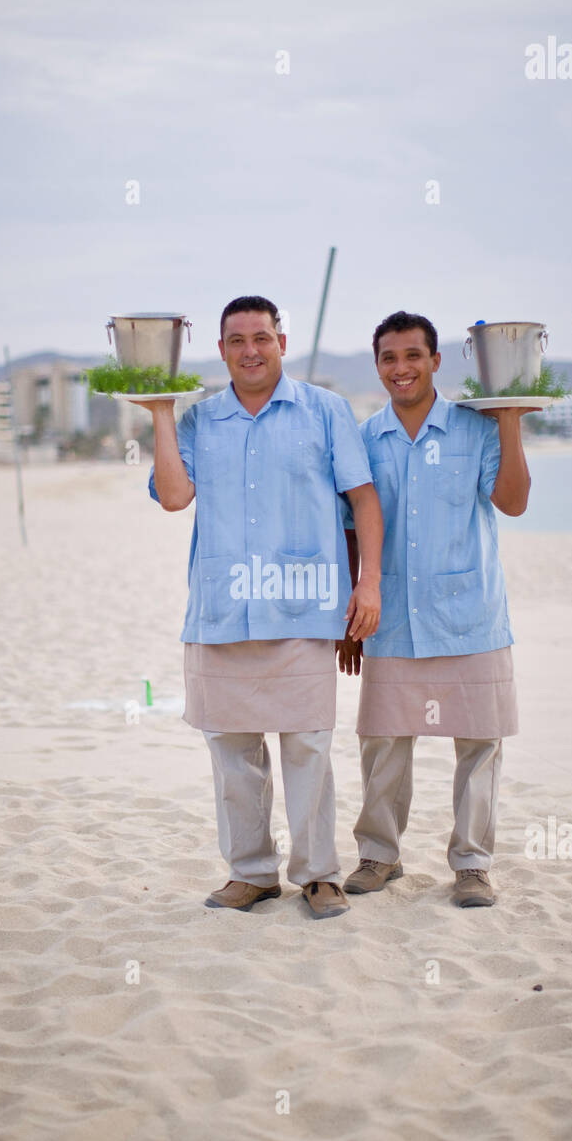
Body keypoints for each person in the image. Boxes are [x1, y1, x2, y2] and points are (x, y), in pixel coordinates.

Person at [148, 296, 382, 919]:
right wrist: (160, 414)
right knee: (232, 752)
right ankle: (250, 874)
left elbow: (363, 500)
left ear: (282, 340)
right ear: (221, 349)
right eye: (236, 340)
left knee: (308, 745)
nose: (250, 350)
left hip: (304, 606)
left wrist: (369, 583)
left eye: (261, 337)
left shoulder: (325, 411)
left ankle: (318, 874)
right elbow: (174, 498)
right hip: (222, 609)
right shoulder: (198, 421)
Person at [337, 311, 533, 907]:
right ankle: (379, 856)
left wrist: (511, 424)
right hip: (391, 616)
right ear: (378, 366)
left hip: (470, 613)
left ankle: (472, 864)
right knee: (384, 742)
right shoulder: (364, 440)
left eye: (413, 356)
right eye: (389, 358)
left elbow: (515, 502)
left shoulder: (475, 430)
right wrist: (348, 617)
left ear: (435, 361)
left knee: (480, 742)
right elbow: (350, 530)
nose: (401, 368)